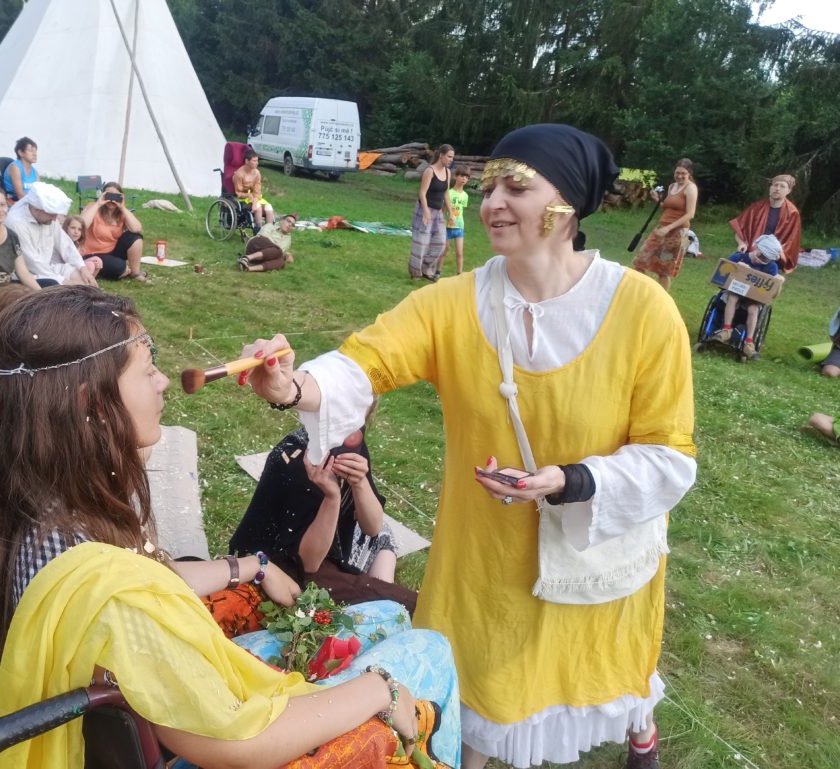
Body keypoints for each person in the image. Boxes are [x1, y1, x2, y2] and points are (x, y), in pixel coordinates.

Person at [241, 123, 697, 769]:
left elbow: (668, 452)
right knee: (477, 686)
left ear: (568, 203)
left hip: (592, 536)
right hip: (485, 550)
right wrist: (293, 387)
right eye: (488, 188)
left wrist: (571, 480)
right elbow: (366, 361)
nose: (492, 204)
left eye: (517, 187)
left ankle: (638, 728)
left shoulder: (643, 310)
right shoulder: (454, 302)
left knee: (605, 661)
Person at [0, 286, 461, 769]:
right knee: (430, 650)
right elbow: (240, 741)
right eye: (148, 369)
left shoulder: (43, 502)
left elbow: (152, 578)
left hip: (165, 709)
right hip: (220, 740)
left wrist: (252, 565)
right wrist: (379, 688)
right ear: (93, 404)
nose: (164, 381)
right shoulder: (112, 594)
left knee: (385, 615)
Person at [229, 420, 418, 611]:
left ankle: (383, 599)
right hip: (286, 570)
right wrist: (332, 497)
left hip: (329, 550)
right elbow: (307, 565)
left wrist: (359, 482)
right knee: (408, 606)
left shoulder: (348, 439)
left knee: (384, 533)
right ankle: (383, 603)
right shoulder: (297, 460)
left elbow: (373, 528)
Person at [6, 182, 100, 287]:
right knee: (63, 285)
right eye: (52, 215)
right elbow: (33, 263)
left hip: (47, 268)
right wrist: (64, 281)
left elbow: (65, 244)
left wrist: (83, 268)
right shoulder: (17, 223)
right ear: (37, 209)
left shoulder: (47, 218)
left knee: (79, 276)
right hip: (27, 275)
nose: (55, 219)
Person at [711, 234, 783, 357]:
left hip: (753, 299)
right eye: (760, 256)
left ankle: (749, 343)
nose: (760, 261)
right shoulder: (739, 257)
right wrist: (736, 268)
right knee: (733, 297)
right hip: (734, 293)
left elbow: (771, 295)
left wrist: (779, 283)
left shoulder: (771, 267)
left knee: (754, 308)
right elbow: (721, 276)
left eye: (765, 260)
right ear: (756, 247)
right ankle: (726, 330)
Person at [632, 159, 698, 291]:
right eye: (677, 172)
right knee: (640, 260)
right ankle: (643, 291)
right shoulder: (672, 186)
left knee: (664, 269)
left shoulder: (691, 188)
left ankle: (661, 298)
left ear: (689, 173)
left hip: (678, 234)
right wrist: (657, 199)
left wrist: (669, 228)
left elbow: (690, 214)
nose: (679, 176)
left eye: (683, 173)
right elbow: (668, 209)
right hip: (661, 229)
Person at [730, 174, 802, 273]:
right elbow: (740, 231)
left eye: (782, 186)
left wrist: (778, 254)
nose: (777, 189)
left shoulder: (792, 213)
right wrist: (741, 243)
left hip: (769, 259)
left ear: (788, 191)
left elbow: (791, 242)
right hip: (751, 254)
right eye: (775, 185)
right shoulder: (756, 208)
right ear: (770, 187)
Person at [82, 181, 147, 282]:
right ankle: (122, 270)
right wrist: (98, 204)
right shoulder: (93, 207)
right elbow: (82, 224)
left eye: (116, 196)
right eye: (109, 196)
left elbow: (137, 228)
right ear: (103, 195)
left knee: (135, 237)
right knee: (119, 266)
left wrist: (122, 207)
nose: (112, 200)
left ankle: (135, 273)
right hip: (92, 253)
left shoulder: (121, 213)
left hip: (112, 251)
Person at [409, 144, 455, 282]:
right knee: (421, 243)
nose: (451, 159)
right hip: (424, 209)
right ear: (441, 155)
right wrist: (426, 212)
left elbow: (446, 193)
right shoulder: (430, 171)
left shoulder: (448, 172)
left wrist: (451, 213)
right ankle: (415, 272)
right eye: (449, 156)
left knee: (440, 243)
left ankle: (426, 269)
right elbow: (422, 193)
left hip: (438, 212)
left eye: (452, 157)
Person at [435, 165, 470, 278]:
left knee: (460, 253)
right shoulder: (449, 193)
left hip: (459, 227)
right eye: (462, 176)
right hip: (448, 227)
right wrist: (441, 222)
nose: (464, 179)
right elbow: (443, 210)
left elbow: (461, 210)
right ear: (456, 176)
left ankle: (459, 275)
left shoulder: (465, 196)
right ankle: (437, 273)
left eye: (466, 177)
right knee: (444, 250)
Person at [233, 149, 274, 229]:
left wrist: (254, 201)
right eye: (254, 161)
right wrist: (249, 196)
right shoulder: (239, 174)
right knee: (258, 207)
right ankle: (258, 230)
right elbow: (238, 193)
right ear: (247, 161)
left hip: (254, 198)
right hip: (242, 199)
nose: (257, 163)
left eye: (257, 160)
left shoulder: (257, 173)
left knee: (269, 207)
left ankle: (269, 231)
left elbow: (257, 190)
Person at [3, 136, 38, 202]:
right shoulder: (15, 168)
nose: (35, 154)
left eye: (35, 151)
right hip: (14, 200)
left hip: (29, 201)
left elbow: (38, 192)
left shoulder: (35, 172)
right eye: (31, 151)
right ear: (21, 153)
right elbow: (20, 195)